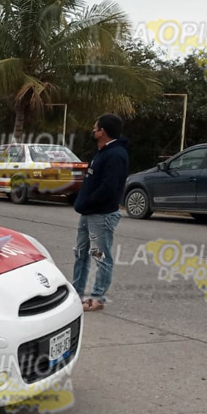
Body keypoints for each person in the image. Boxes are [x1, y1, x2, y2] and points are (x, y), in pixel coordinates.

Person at [72, 114, 129, 312]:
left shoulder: (116, 155)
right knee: (81, 253)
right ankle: (76, 293)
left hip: (101, 215)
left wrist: (87, 201)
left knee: (100, 256)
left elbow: (109, 188)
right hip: (88, 213)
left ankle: (97, 297)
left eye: (95, 127)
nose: (93, 129)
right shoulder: (103, 152)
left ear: (102, 131)